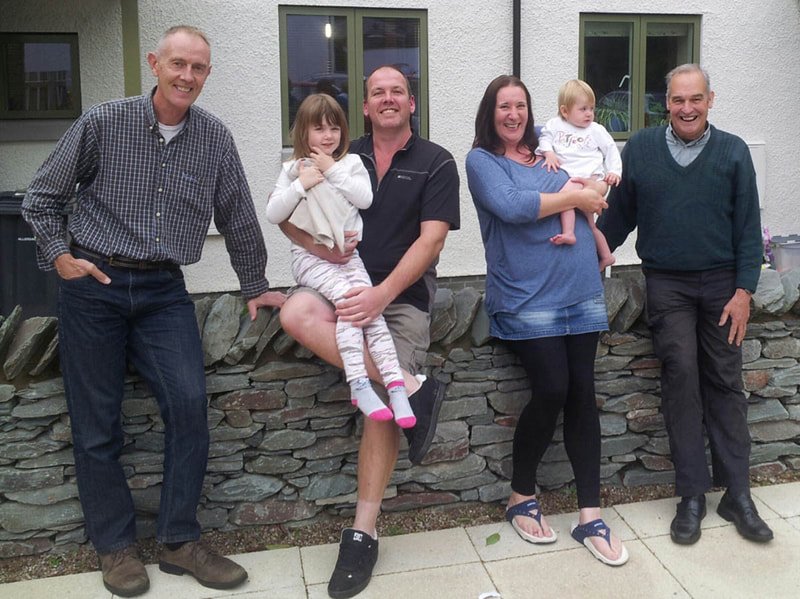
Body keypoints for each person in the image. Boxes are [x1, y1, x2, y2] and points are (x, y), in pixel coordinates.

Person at [21, 25, 285, 597]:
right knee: (97, 424)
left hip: (164, 288)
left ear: (207, 75)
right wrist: (61, 258)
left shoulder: (214, 137)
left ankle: (178, 541)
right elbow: (41, 197)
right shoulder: (103, 122)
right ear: (155, 63)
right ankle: (115, 549)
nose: (188, 76)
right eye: (178, 64)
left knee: (189, 404)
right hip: (94, 282)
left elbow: (238, 214)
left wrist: (256, 284)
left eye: (199, 68)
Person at [278, 65, 460, 598]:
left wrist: (379, 296)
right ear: (364, 106)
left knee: (379, 397)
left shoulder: (436, 161)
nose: (387, 99)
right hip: (336, 282)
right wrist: (315, 250)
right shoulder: (338, 149)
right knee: (293, 314)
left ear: (410, 102)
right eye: (377, 92)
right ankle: (418, 388)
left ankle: (362, 529)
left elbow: (431, 243)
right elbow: (287, 212)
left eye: (396, 92)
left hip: (399, 299)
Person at [597, 64, 772, 545]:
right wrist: (592, 251)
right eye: (677, 100)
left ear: (710, 100)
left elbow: (748, 228)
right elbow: (622, 215)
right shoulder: (644, 150)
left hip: (721, 288)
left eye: (696, 99)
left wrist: (744, 291)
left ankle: (738, 494)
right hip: (667, 284)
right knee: (681, 381)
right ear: (665, 103)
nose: (687, 108)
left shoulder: (733, 152)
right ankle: (691, 496)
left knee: (725, 383)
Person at [465, 75, 628, 567]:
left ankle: (589, 516)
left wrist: (585, 191)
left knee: (582, 392)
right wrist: (574, 199)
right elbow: (513, 208)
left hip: (580, 289)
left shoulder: (550, 153)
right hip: (525, 295)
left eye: (520, 106)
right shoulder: (481, 161)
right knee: (553, 387)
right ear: (489, 113)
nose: (512, 115)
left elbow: (598, 186)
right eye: (503, 106)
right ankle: (520, 496)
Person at [267, 93, 415, 428]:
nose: (328, 135)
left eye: (334, 128)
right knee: (351, 304)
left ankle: (396, 388)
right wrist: (300, 185)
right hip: (311, 260)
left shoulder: (350, 165)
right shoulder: (292, 170)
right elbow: (274, 213)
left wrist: (331, 169)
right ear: (303, 132)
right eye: (319, 129)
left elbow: (364, 198)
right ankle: (359, 383)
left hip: (350, 259)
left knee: (370, 311)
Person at [537, 79, 620, 270]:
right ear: (565, 111)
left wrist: (614, 171)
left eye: (591, 108)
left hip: (587, 178)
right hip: (574, 177)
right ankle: (607, 256)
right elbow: (545, 138)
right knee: (591, 226)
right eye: (583, 109)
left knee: (565, 197)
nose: (589, 113)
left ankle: (569, 233)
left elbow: (611, 149)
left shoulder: (596, 130)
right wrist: (548, 153)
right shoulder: (555, 125)